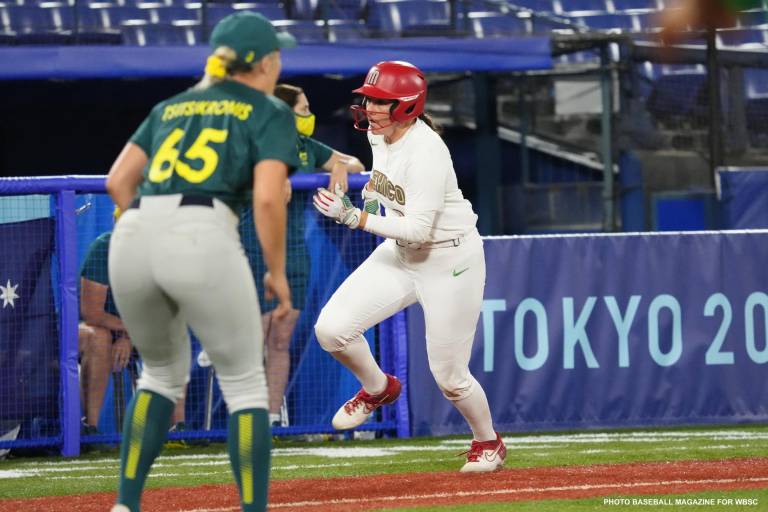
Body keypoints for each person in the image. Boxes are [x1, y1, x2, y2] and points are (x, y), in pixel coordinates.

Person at [104, 11, 298, 512]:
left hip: (133, 231)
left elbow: (117, 183)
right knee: (245, 383)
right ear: (266, 61)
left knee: (161, 376)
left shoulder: (171, 106)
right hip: (201, 228)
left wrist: (149, 227)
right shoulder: (267, 110)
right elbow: (269, 199)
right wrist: (276, 272)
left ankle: (125, 505)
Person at [312, 61, 506, 473]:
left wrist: (355, 219)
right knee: (331, 330)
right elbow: (382, 185)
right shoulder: (381, 135)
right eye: (367, 98)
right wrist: (363, 201)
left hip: (449, 259)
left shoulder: (426, 151)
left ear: (405, 107)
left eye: (379, 101)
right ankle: (378, 388)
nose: (369, 107)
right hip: (401, 253)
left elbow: (418, 229)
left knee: (450, 378)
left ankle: (488, 443)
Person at [239, 83, 365, 426]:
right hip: (252, 248)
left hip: (293, 252)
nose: (309, 116)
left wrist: (339, 167)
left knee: (280, 338)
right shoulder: (254, 142)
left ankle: (270, 416)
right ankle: (246, 413)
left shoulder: (306, 146)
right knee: (257, 336)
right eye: (303, 109)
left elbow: (354, 162)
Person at [79, 212, 186, 444]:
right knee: (100, 337)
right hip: (93, 328)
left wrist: (128, 336)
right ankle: (89, 428)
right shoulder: (103, 249)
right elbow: (92, 312)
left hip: (133, 329)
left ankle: (179, 428)